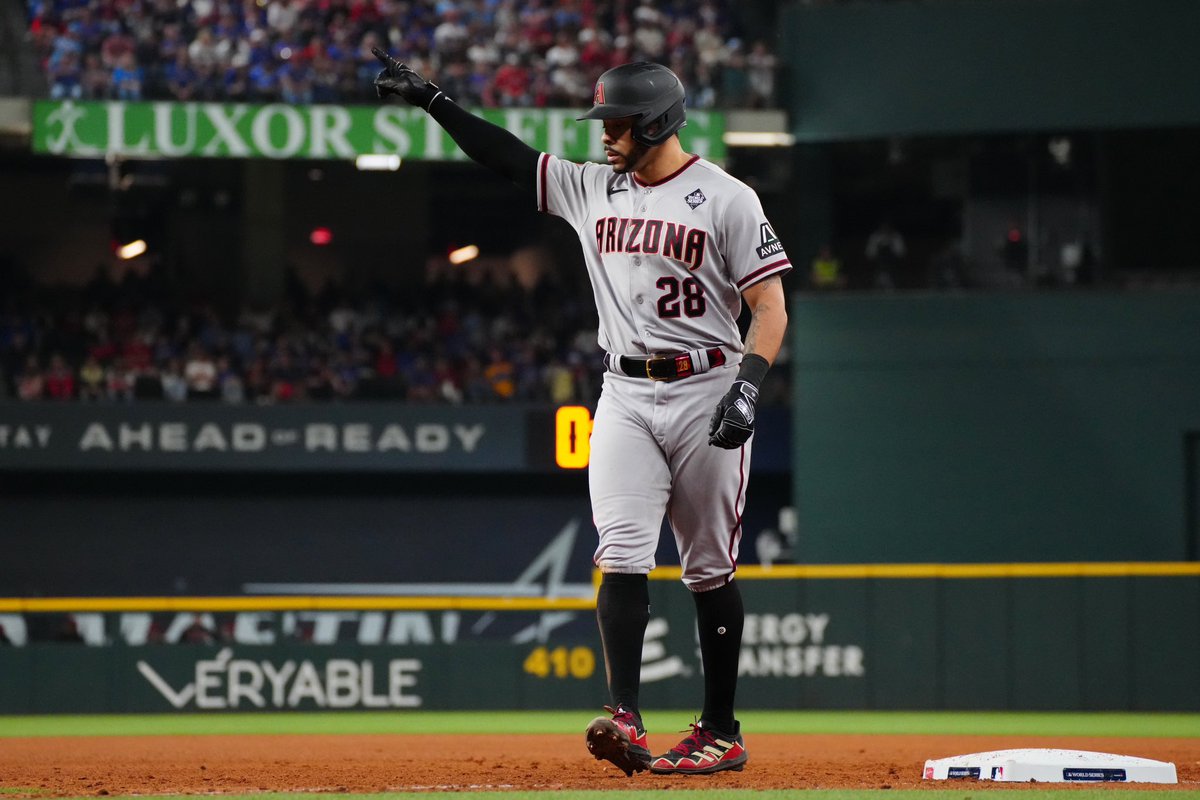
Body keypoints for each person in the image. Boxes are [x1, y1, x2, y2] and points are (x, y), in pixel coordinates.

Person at [374, 54, 789, 776]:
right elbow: (507, 158)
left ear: (657, 122)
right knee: (621, 549)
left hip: (707, 387)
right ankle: (623, 713)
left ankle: (721, 730)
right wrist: (434, 101)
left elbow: (771, 306)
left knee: (709, 567)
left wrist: (748, 387)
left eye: (618, 122)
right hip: (624, 392)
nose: (605, 135)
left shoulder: (726, 198)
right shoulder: (592, 188)